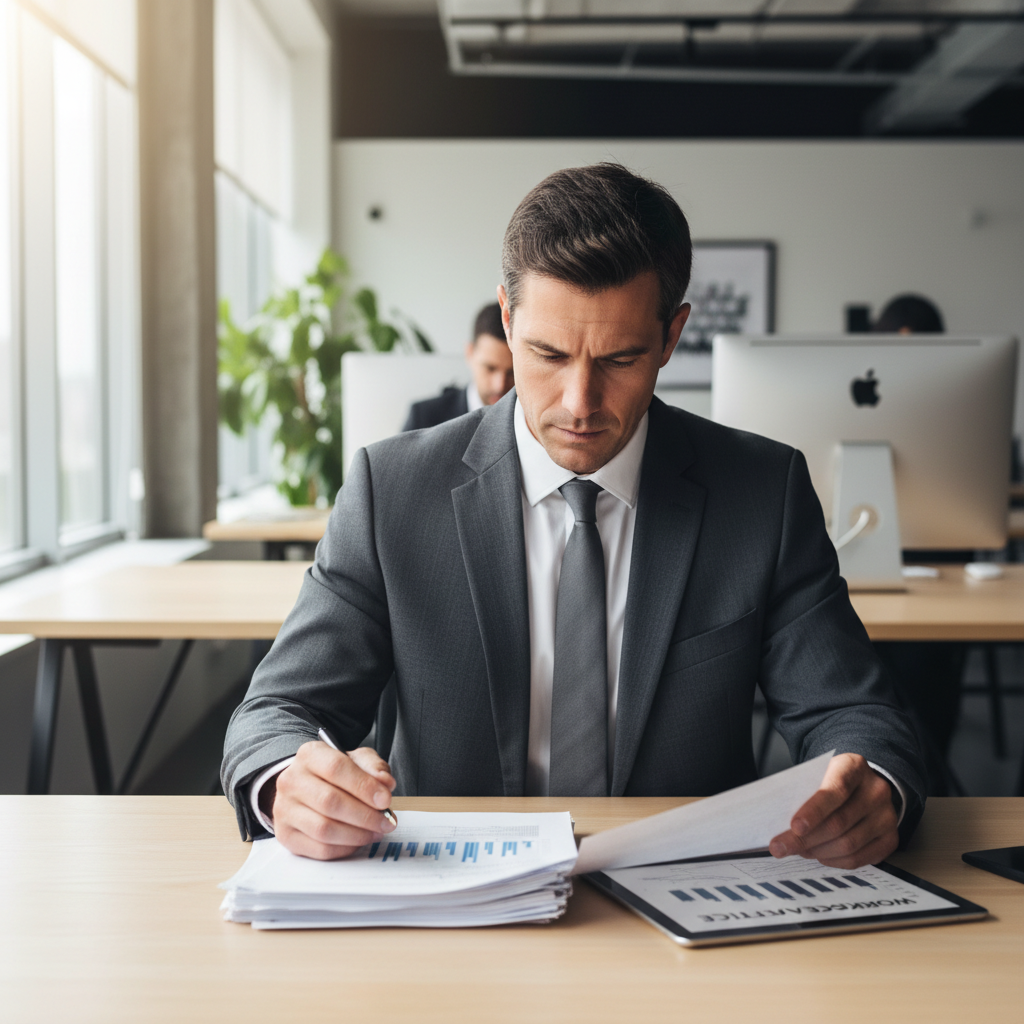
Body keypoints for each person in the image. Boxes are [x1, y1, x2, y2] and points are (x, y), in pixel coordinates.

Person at [222, 163, 925, 871]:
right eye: (547, 354)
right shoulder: (392, 491)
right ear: (506, 318)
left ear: (672, 336)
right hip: (451, 893)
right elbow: (276, 713)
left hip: (684, 891)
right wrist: (290, 781)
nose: (580, 401)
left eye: (620, 358)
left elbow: (852, 712)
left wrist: (874, 791)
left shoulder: (761, 494)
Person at [870, 292, 964, 794]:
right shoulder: (858, 395)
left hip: (937, 554)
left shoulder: (954, 399)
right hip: (852, 550)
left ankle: (924, 783)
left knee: (924, 666)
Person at [402, 303, 514, 430]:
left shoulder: (529, 421)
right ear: (469, 353)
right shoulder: (423, 418)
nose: (500, 385)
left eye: (512, 372)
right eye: (490, 368)